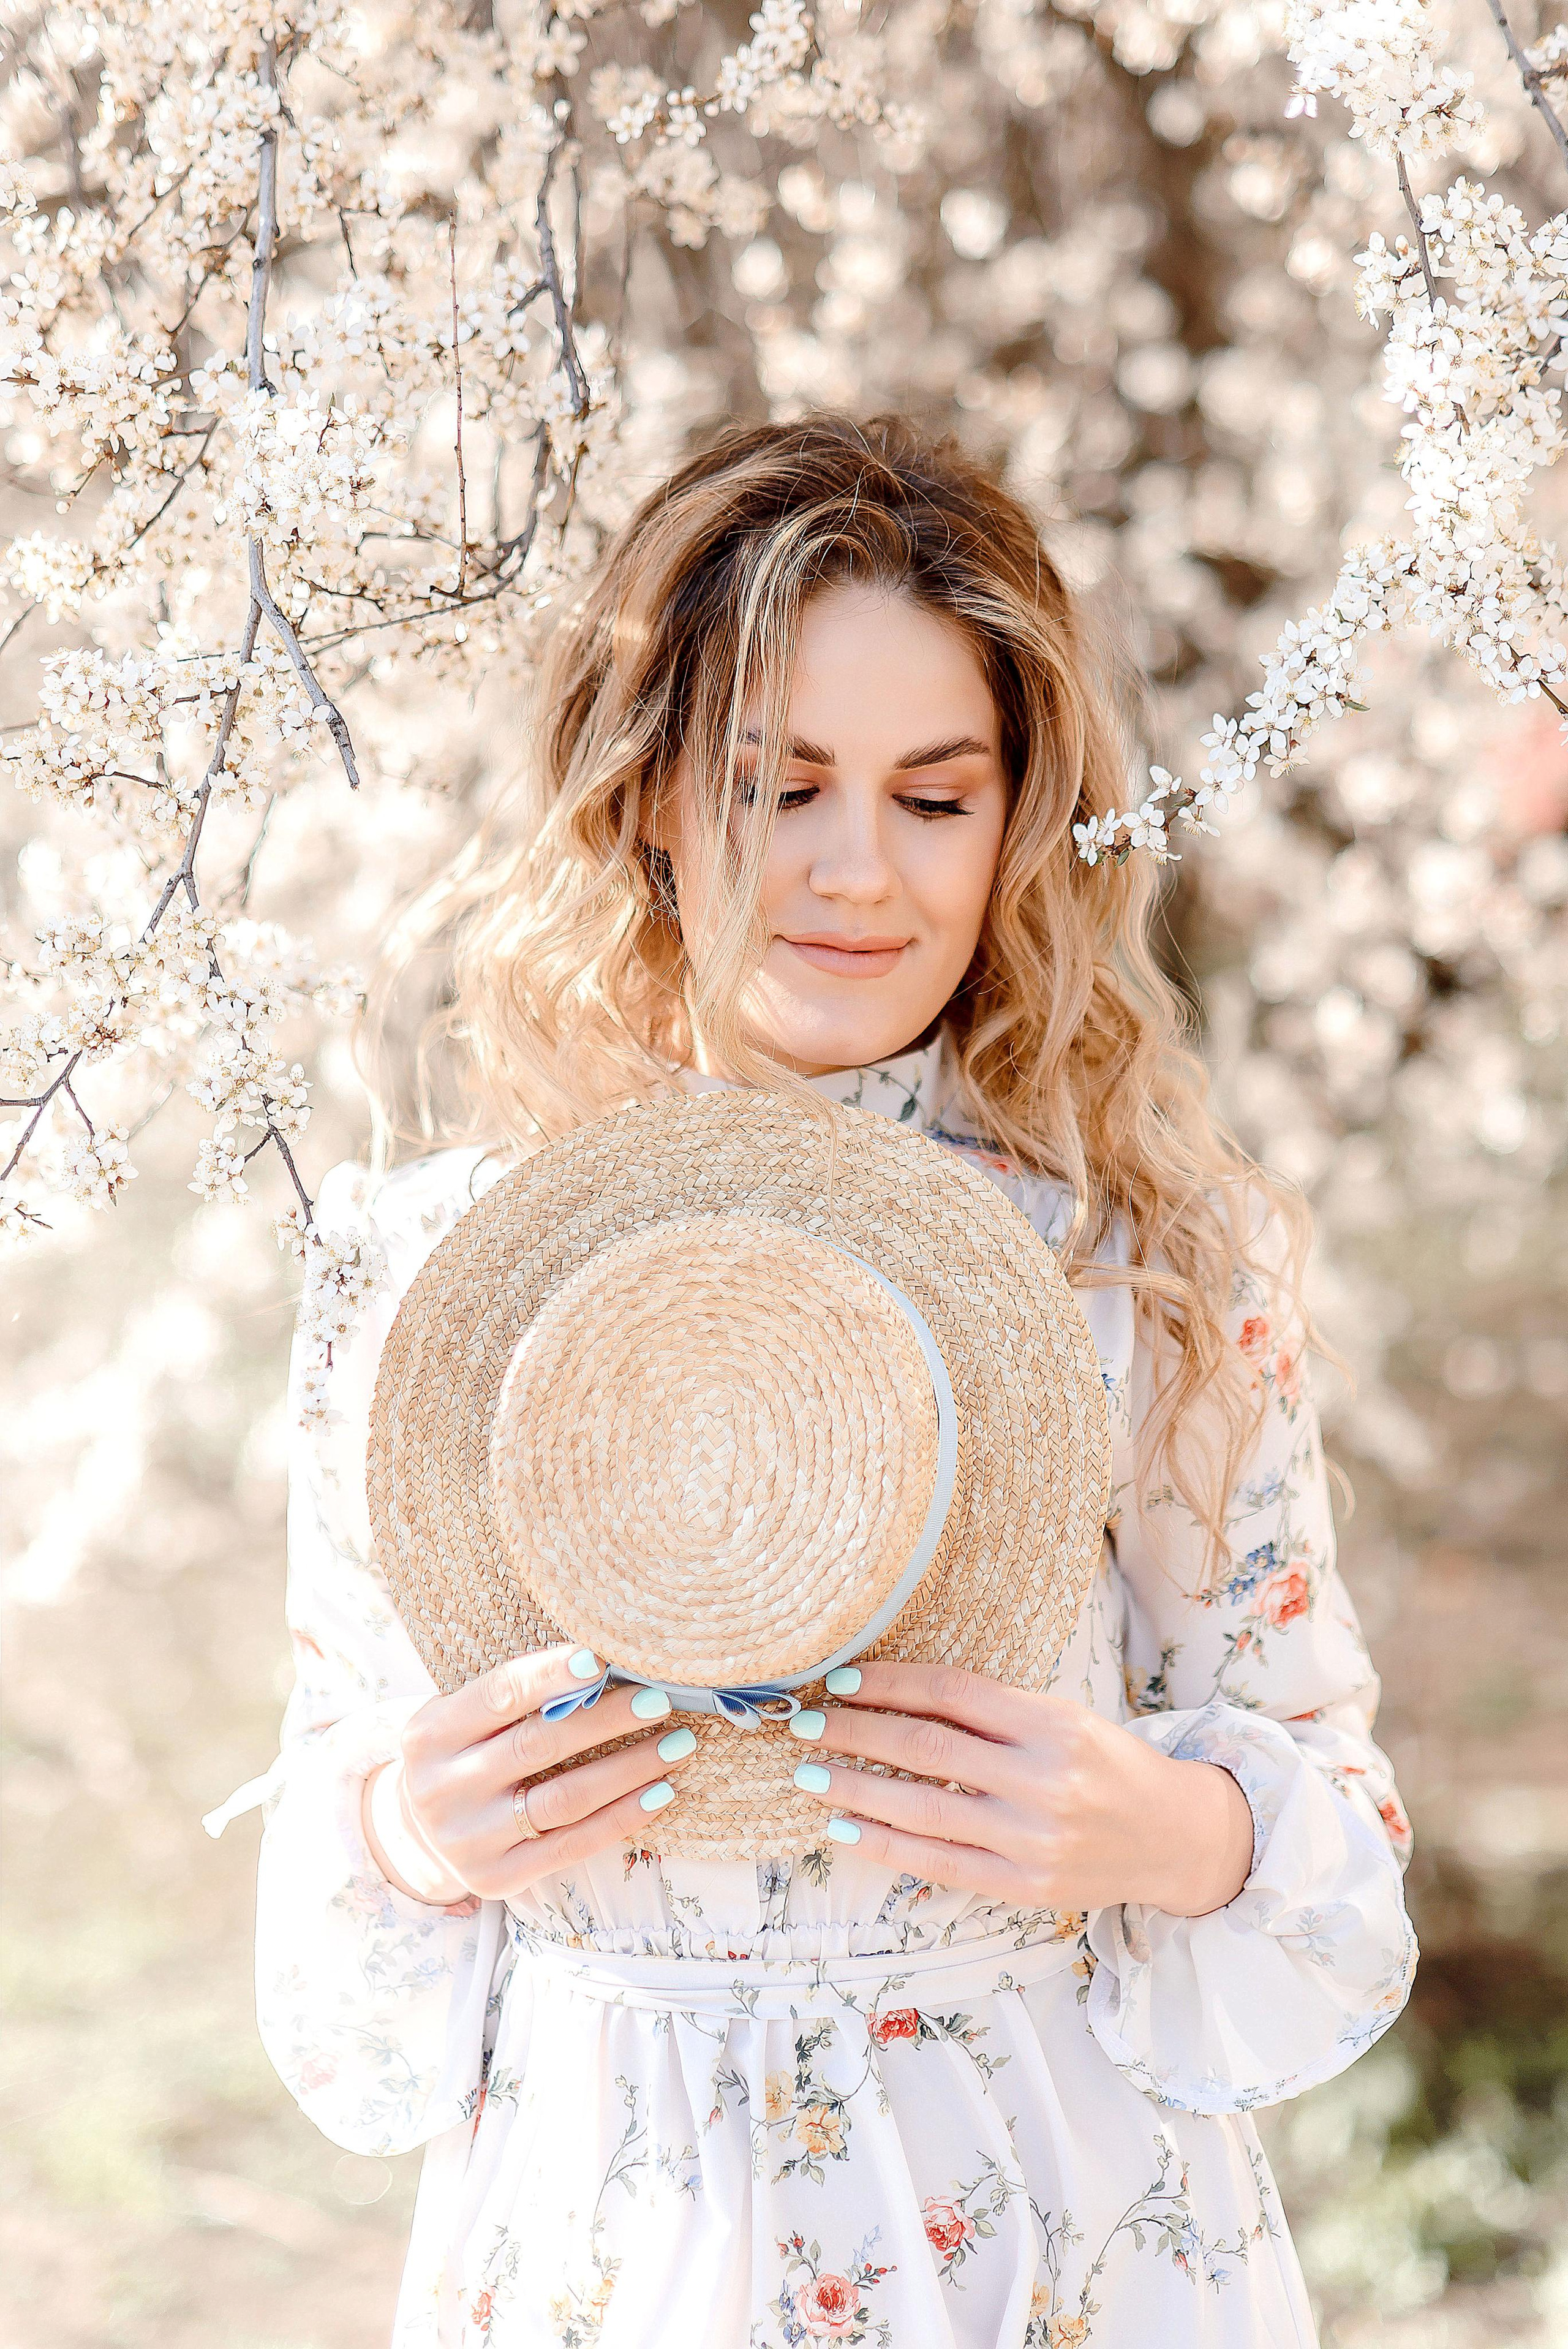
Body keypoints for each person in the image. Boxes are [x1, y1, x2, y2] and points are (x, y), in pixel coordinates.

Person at [236, 415, 1415, 2347]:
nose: (858, 872)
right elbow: (339, 1914)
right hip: (616, 2227)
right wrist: (405, 1832)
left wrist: (1170, 1826)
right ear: (646, 802)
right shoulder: (422, 1272)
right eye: (779, 784)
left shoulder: (1150, 1267)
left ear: (1020, 823)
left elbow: (1340, 1845)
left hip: (1055, 2231)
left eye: (935, 799)